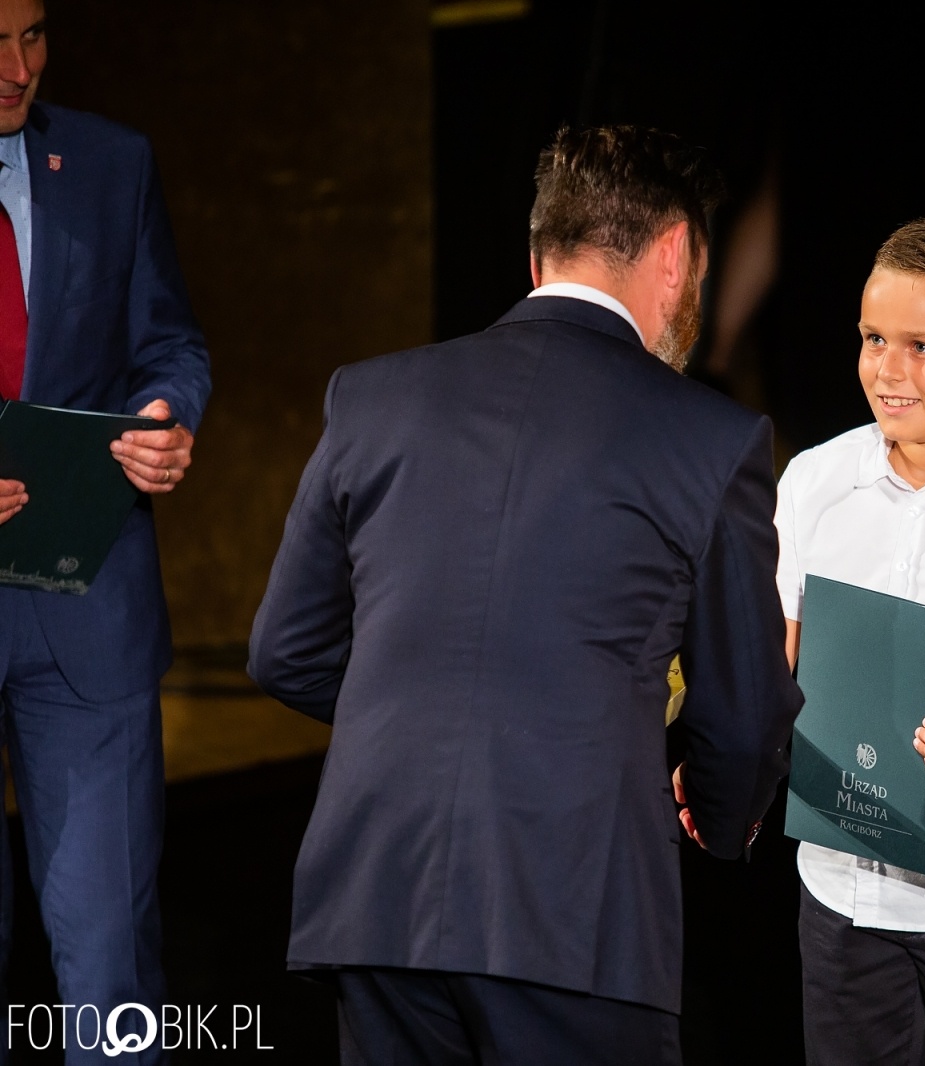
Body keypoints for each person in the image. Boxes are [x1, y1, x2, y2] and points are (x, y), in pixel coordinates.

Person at [248, 125, 802, 1066]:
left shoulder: (371, 396)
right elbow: (742, 722)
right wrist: (715, 819)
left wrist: (422, 708)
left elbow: (285, 653)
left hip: (374, 900)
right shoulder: (712, 441)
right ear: (676, 254)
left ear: (537, 252)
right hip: (573, 912)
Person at [0, 1, 210, 1056]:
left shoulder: (111, 162)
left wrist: (165, 419)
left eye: (33, 34)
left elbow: (168, 343)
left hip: (87, 600)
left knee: (108, 968)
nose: (18, 66)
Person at [775, 214, 925, 1066]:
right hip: (837, 897)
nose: (887, 369)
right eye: (874, 338)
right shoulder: (813, 481)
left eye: (921, 346)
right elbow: (782, 661)